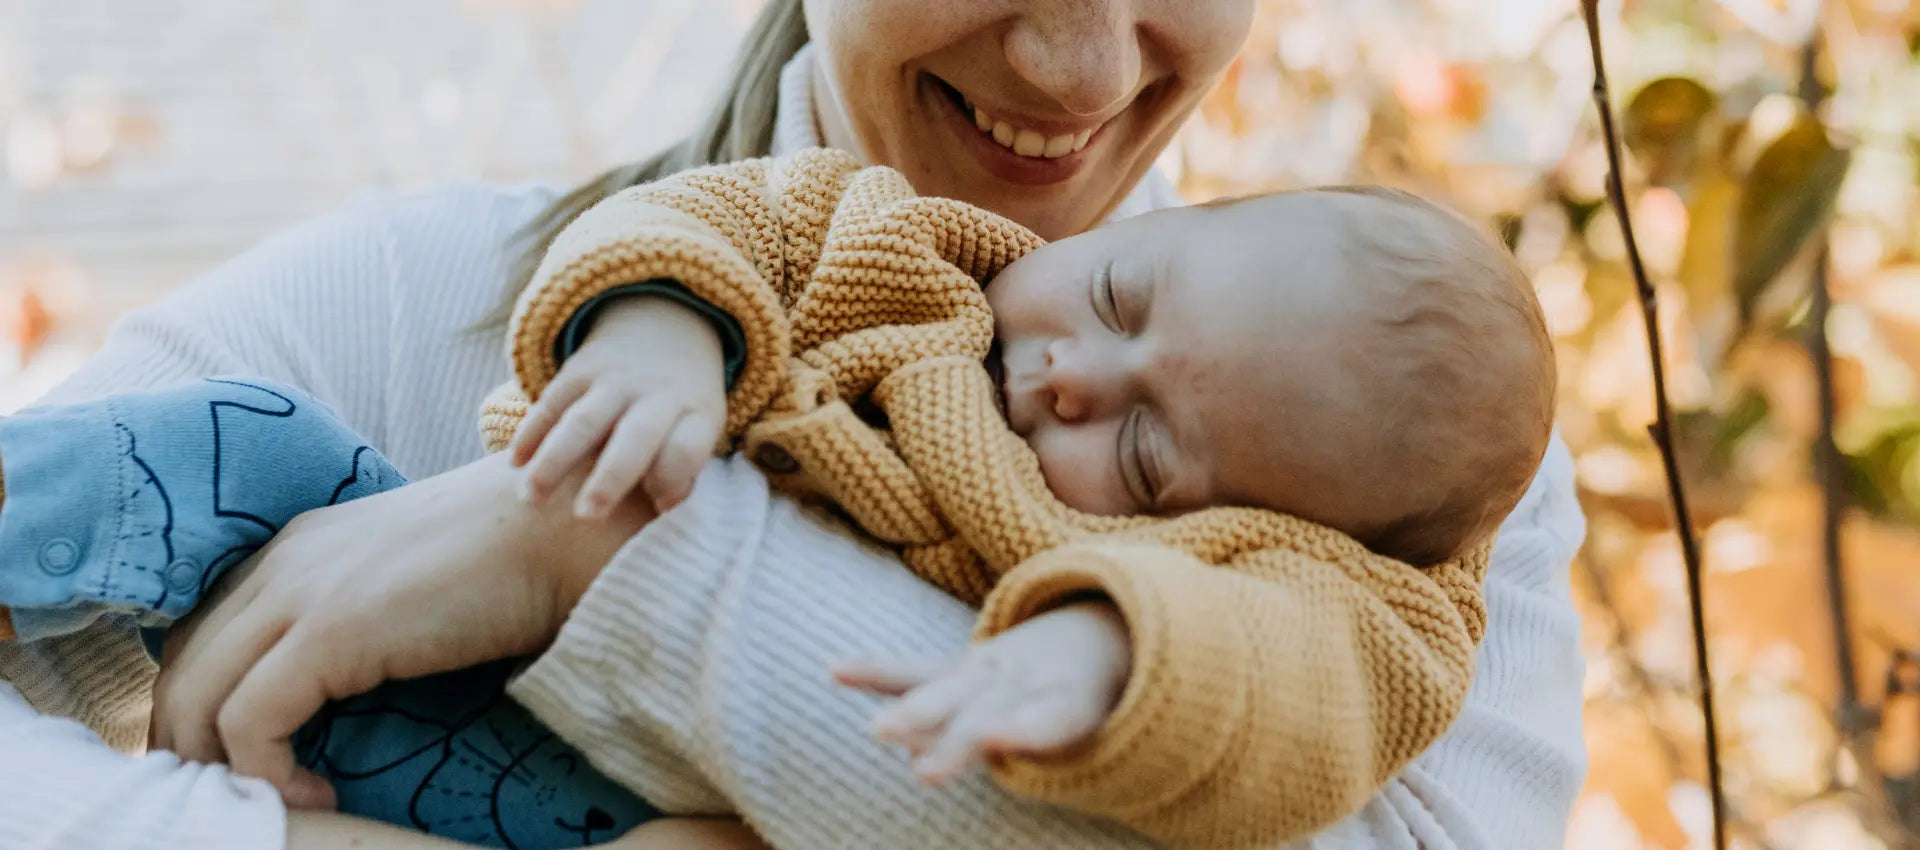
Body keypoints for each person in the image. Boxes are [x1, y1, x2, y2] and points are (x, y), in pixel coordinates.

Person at [0, 1, 1587, 848]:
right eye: (1118, 305)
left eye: (1151, 459)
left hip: (525, 790)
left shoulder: (1395, 469)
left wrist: (588, 554)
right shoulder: (421, 293)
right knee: (231, 447)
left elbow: (1287, 694)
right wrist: (654, 360)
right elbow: (717, 241)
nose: (1084, 63)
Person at [475, 146, 1553, 848]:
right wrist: (662, 329)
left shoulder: (1327, 586)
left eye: (1142, 454)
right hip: (491, 645)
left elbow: (1309, 673)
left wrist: (1119, 650)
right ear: (1149, 225)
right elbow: (720, 215)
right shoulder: (899, 250)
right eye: (1117, 296)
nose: (1075, 375)